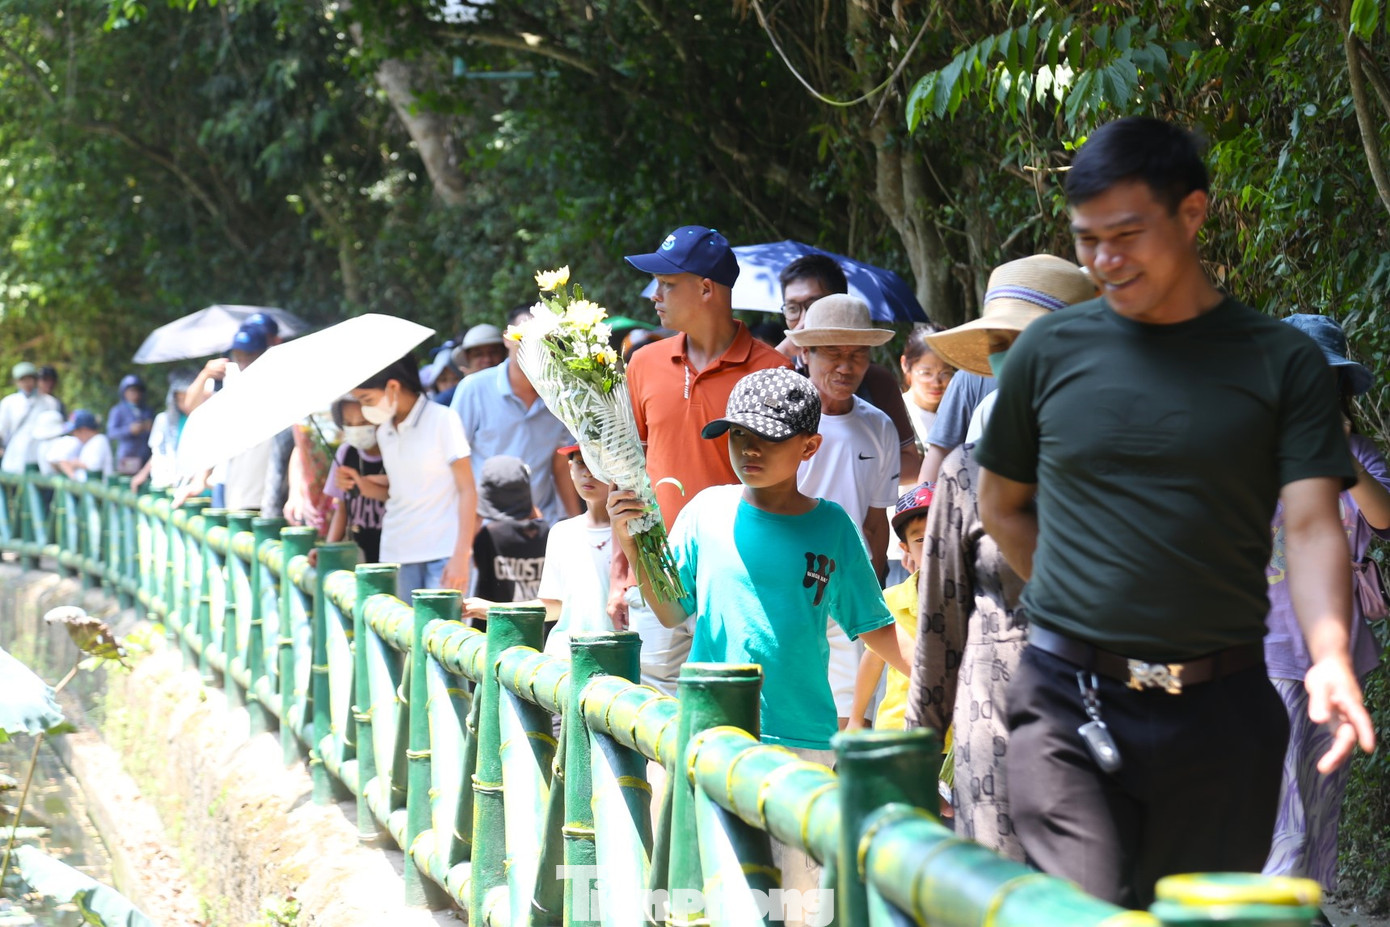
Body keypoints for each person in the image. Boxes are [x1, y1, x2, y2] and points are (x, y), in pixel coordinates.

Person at [975, 116, 1375, 907]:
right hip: (1070, 703)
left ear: (1191, 213)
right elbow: (1003, 505)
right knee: (1087, 912)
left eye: (1126, 233)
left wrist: (1329, 653)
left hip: (1223, 714)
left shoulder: (1280, 363)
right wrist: (1085, 607)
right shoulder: (1048, 356)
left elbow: (1311, 521)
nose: (1103, 260)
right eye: (1088, 238)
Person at [609, 367, 912, 749]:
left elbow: (876, 626)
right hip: (710, 725)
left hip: (802, 738)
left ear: (809, 446)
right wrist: (633, 546)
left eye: (769, 436)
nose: (749, 448)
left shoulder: (833, 526)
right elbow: (671, 612)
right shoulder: (706, 510)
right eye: (738, 433)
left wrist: (945, 685)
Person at [906, 254, 1096, 863]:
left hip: (1111, 726)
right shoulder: (964, 473)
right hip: (994, 733)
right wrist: (915, 764)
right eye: (999, 344)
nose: (1010, 360)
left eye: (1028, 342)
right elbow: (938, 627)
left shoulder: (1130, 467)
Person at [1262, 314, 1390, 908]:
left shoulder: (1356, 454)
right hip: (1273, 650)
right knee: (1283, 784)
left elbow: (1384, 518)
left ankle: (1305, 900)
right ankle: (1280, 900)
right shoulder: (1255, 453)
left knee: (1320, 787)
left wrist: (1340, 453)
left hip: (1339, 654)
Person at [618, 224, 787, 669]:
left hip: (740, 576)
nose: (655, 295)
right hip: (655, 573)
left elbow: (782, 485)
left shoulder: (774, 370)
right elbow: (629, 471)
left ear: (707, 288)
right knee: (649, 720)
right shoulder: (643, 362)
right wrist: (624, 566)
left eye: (668, 285)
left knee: (736, 718)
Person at [786, 295, 901, 727]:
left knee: (849, 709)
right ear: (806, 353)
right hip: (787, 580)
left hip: (848, 586)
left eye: (857, 355)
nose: (846, 367)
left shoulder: (879, 427)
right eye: (832, 354)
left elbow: (876, 522)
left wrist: (873, 593)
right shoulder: (782, 418)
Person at [774, 254, 921, 480]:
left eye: (815, 306)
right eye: (793, 308)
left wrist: (853, 464)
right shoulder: (774, 380)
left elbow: (911, 464)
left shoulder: (875, 384)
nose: (804, 319)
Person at [352, 356, 476, 600]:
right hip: (396, 552)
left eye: (366, 400)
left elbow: (468, 490)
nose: (364, 409)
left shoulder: (443, 419)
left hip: (443, 552)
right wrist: (361, 485)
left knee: (443, 634)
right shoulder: (384, 429)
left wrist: (461, 555)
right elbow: (400, 490)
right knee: (400, 636)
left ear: (393, 387)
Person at [451, 306, 580, 527]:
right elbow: (453, 457)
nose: (531, 344)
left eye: (541, 338)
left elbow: (559, 464)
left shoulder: (561, 395)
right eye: (523, 336)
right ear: (507, 338)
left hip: (541, 524)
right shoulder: (474, 389)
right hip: (486, 527)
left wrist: (578, 523)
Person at [849, 483, 932, 731]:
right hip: (898, 730)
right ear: (906, 548)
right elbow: (873, 659)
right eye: (920, 539)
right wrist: (856, 718)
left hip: (957, 737)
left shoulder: (978, 602)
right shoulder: (893, 599)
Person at [531, 445, 618, 660]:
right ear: (570, 468)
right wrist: (492, 609)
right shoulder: (561, 532)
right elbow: (554, 605)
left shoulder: (638, 533)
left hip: (616, 657)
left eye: (598, 463)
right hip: (563, 658)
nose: (588, 473)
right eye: (581, 463)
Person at [464, 456, 550, 628]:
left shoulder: (488, 536)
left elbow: (470, 557)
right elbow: (536, 518)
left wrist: (477, 512)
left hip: (495, 629)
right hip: (540, 630)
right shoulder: (548, 533)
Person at [322, 397, 388, 564]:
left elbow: (403, 492)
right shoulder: (346, 453)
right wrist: (328, 550)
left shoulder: (394, 450)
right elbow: (341, 509)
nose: (357, 429)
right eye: (349, 424)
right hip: (359, 552)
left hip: (393, 549)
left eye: (364, 421)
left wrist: (368, 485)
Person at [132, 370, 195, 491]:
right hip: (169, 483)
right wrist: (143, 474)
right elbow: (158, 452)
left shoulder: (202, 418)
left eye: (187, 398)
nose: (184, 404)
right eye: (179, 399)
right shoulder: (164, 420)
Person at [0, 362, 63, 474]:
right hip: (16, 454)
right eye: (22, 380)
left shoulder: (49, 402)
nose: (27, 383)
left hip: (42, 453)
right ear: (17, 382)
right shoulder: (9, 402)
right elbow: (2, 429)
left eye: (29, 379)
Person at [899, 326, 954, 452]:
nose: (936, 383)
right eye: (926, 373)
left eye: (945, 373)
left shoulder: (958, 413)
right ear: (905, 365)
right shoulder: (895, 414)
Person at [107, 374, 155, 476]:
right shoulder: (118, 410)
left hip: (146, 456)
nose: (136, 394)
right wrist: (129, 430)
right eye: (132, 391)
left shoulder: (147, 410)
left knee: (145, 484)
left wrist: (150, 428)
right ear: (124, 392)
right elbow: (111, 433)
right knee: (128, 484)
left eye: (138, 391)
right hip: (128, 457)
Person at [46, 410, 113, 482]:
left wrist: (76, 463)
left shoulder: (99, 440)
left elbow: (94, 469)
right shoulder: (90, 442)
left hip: (97, 489)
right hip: (88, 490)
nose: (74, 435)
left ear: (84, 430)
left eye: (75, 431)